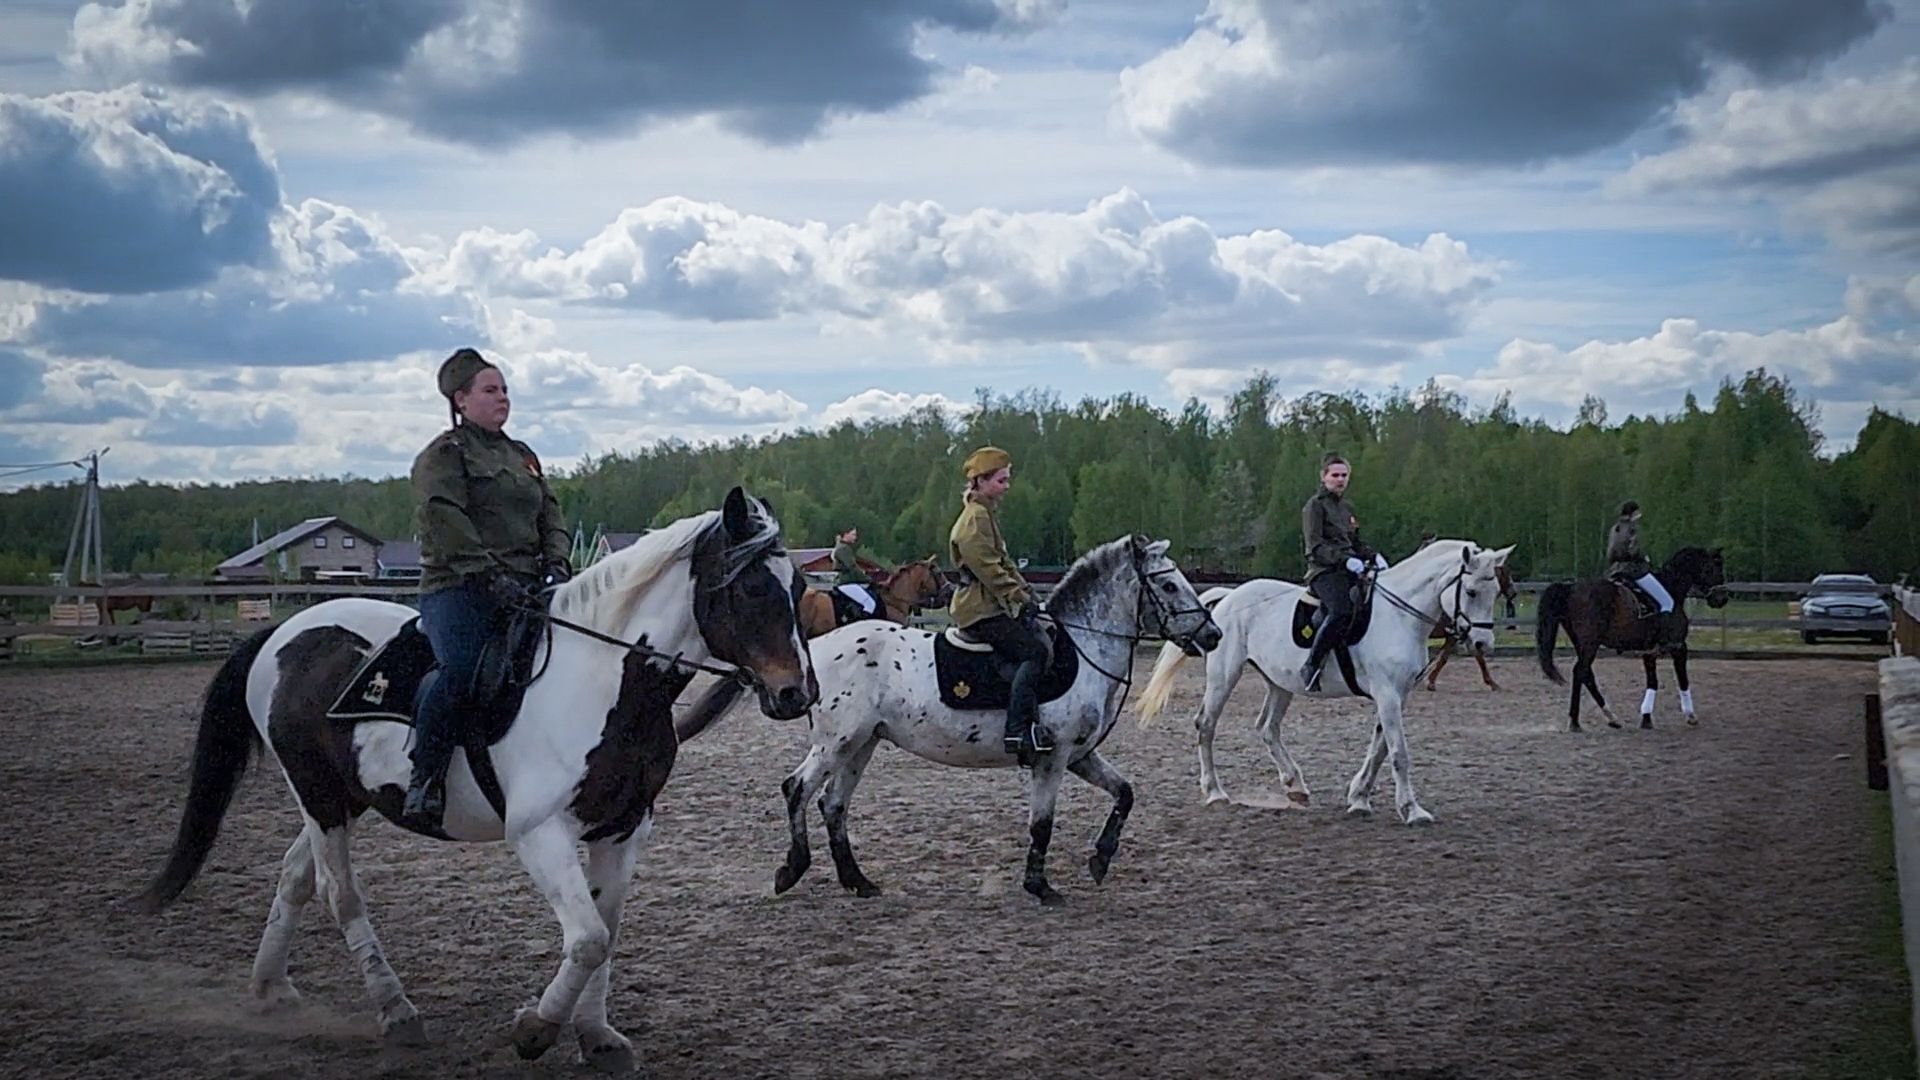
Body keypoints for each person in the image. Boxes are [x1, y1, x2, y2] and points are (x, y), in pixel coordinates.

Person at [403, 347, 573, 831]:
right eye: (490, 390)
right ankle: (426, 776)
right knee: (463, 672)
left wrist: (557, 560)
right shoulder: (443, 456)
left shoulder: (522, 456)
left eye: (504, 390)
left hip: (528, 587)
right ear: (460, 400)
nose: (503, 398)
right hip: (460, 588)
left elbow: (550, 513)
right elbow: (443, 517)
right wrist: (485, 574)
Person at [948, 445, 1053, 763]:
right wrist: (1018, 600)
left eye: (1007, 480)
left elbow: (1005, 563)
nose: (1006, 487)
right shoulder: (974, 520)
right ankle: (1017, 729)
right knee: (1034, 653)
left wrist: (1030, 596)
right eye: (1001, 481)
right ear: (980, 481)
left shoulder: (985, 514)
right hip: (979, 610)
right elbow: (990, 570)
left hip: (991, 605)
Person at [1299, 453, 1386, 690]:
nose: (1340, 480)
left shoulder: (1347, 507)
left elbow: (1355, 542)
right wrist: (1345, 560)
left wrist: (1372, 555)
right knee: (1341, 611)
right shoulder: (1314, 506)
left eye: (1344, 475)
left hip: (1351, 570)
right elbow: (1314, 545)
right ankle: (1312, 665)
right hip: (1323, 571)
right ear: (1324, 477)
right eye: (1335, 475)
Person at [1606, 499, 1680, 645]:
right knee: (1667, 602)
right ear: (1633, 513)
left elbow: (1610, 554)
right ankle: (1664, 640)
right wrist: (1644, 558)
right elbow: (1634, 551)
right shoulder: (1634, 528)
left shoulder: (1615, 529)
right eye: (1637, 513)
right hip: (1635, 571)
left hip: (1615, 571)